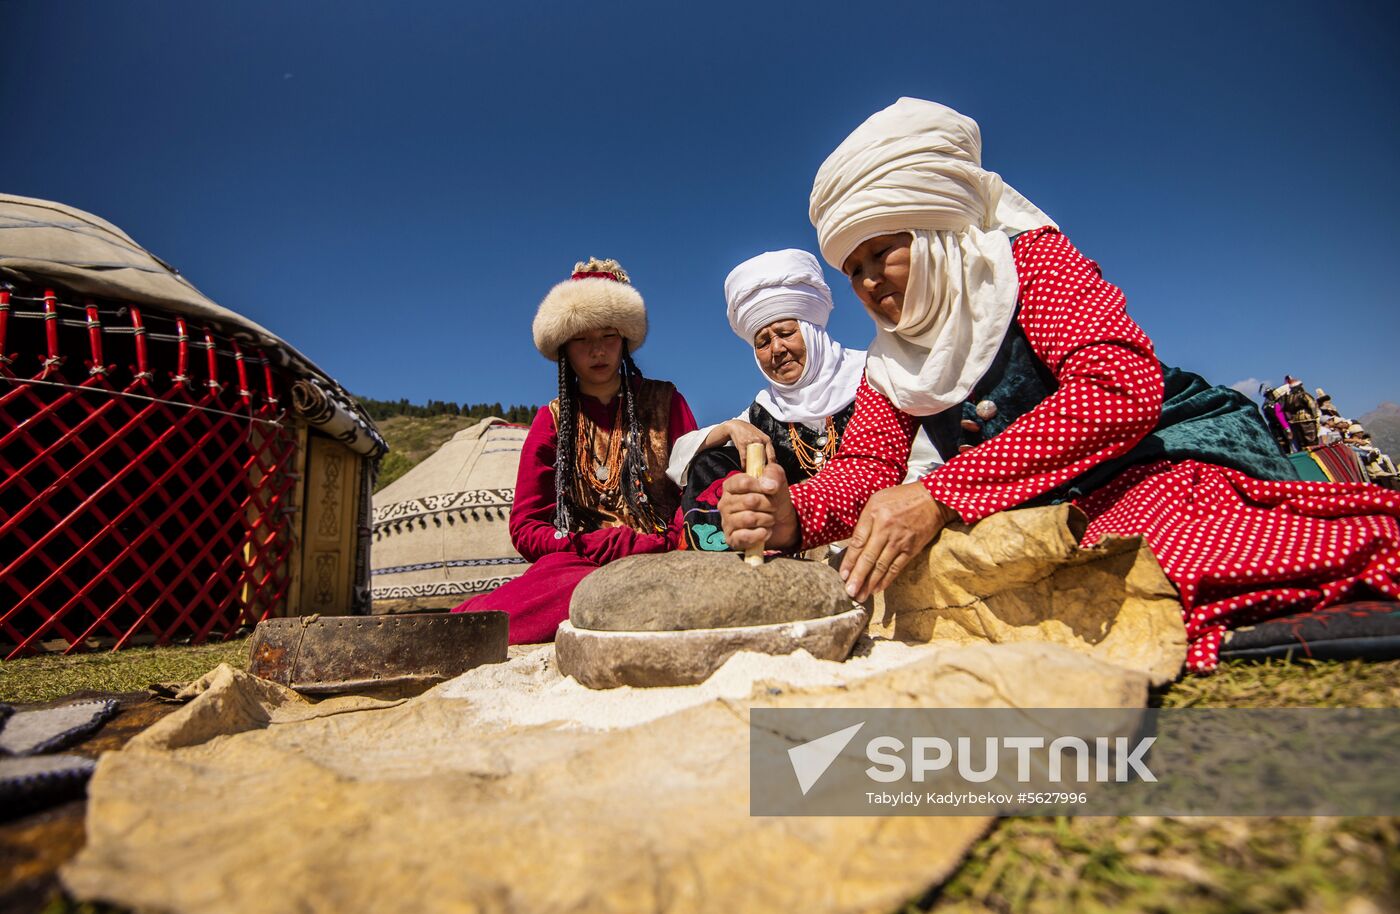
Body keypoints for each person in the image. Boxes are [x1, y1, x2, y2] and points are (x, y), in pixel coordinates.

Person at [718, 98, 1400, 672]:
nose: (867, 281)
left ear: (933, 229)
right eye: (853, 267)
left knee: (1129, 558)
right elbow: (867, 465)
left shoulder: (1027, 263)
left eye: (881, 251)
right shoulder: (891, 361)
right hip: (1041, 502)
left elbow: (1116, 389)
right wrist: (794, 515)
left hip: (1153, 457)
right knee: (956, 577)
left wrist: (941, 493)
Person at [453, 258, 697, 643]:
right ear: (565, 348)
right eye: (582, 339)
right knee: (535, 602)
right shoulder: (550, 420)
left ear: (625, 341)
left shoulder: (666, 401)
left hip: (663, 550)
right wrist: (589, 542)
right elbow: (526, 525)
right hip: (580, 560)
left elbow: (695, 487)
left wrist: (665, 542)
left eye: (608, 336)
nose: (597, 351)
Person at [665, 248, 938, 551]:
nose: (777, 349)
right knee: (711, 459)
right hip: (795, 541)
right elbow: (678, 461)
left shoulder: (874, 373)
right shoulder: (764, 411)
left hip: (887, 525)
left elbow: (923, 459)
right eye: (763, 342)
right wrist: (730, 428)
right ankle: (728, 553)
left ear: (812, 332)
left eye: (785, 333)